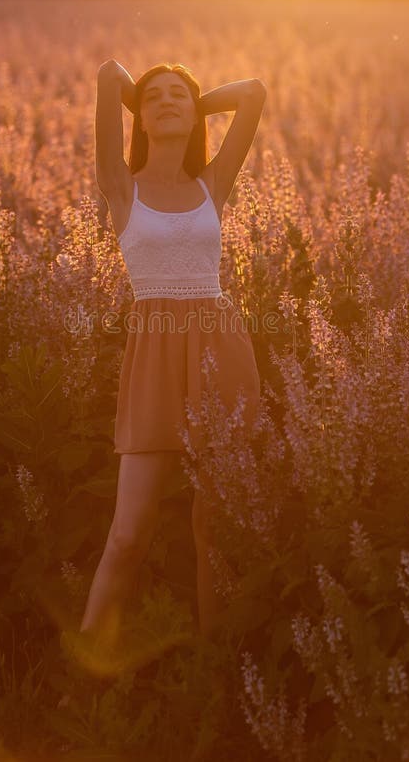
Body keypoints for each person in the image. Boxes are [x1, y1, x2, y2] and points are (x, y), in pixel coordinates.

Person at [77, 58, 266, 671]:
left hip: (220, 351)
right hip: (154, 357)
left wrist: (191, 101)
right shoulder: (121, 184)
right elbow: (108, 73)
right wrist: (146, 96)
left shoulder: (213, 182)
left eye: (176, 97)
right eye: (153, 97)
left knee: (214, 531)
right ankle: (84, 671)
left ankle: (218, 674)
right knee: (127, 533)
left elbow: (255, 93)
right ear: (137, 115)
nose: (165, 102)